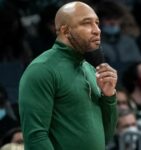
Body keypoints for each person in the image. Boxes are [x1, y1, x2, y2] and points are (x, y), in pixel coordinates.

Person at [19, 1, 118, 150]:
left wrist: (109, 97)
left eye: (97, 23)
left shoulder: (91, 69)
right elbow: (36, 137)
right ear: (65, 31)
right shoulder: (42, 69)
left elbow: (106, 136)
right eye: (86, 23)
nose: (97, 30)